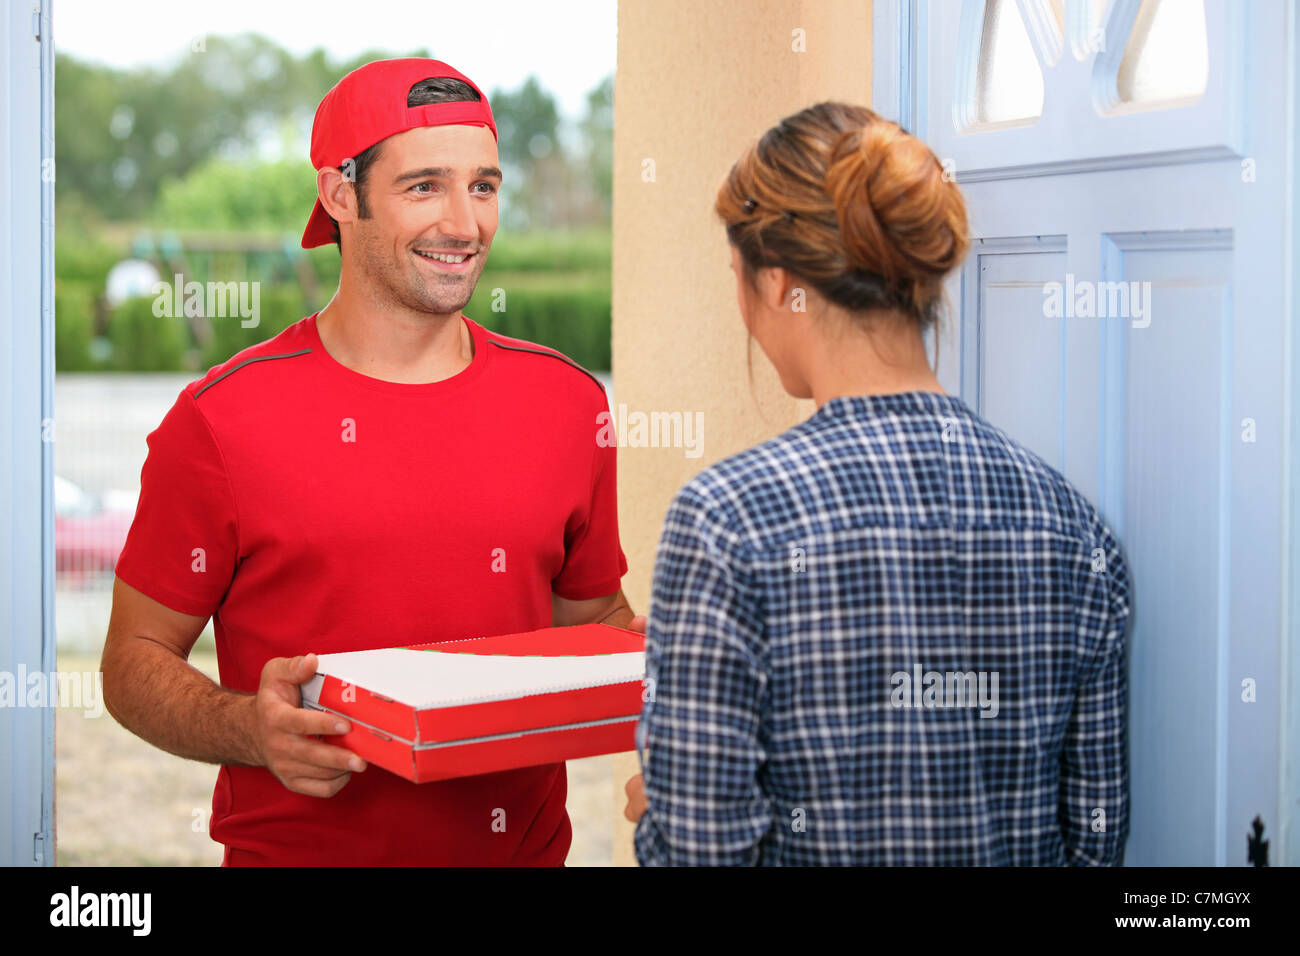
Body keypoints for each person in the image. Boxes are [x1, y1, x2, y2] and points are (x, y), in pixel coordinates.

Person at [101, 58, 634, 866]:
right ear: (340, 196)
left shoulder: (568, 404)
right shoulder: (220, 420)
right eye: (425, 187)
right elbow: (131, 663)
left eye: (483, 187)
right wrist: (249, 728)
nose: (465, 223)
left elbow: (593, 624)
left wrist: (681, 663)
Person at [623, 102, 1134, 865]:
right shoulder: (1075, 530)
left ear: (777, 281)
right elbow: (1096, 842)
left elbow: (700, 856)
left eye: (737, 278)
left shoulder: (725, 522)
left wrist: (655, 817)